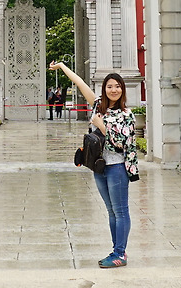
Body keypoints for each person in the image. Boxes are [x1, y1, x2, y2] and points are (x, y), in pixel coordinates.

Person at [49, 61, 137, 268]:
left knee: (121, 211)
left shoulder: (127, 115)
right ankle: (117, 249)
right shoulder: (98, 105)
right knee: (111, 211)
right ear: (104, 89)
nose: (114, 90)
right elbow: (80, 83)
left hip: (117, 168)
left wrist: (101, 126)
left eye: (117, 86)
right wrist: (62, 66)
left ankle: (120, 254)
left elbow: (123, 144)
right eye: (110, 86)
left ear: (122, 90)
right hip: (100, 167)